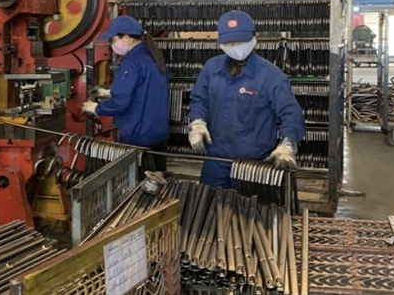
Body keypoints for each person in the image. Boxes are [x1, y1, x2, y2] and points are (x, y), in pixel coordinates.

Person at [187, 10, 304, 187]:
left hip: (253, 165)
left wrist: (287, 144)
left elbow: (291, 113)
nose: (235, 46)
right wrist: (197, 122)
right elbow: (199, 100)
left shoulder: (272, 76)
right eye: (230, 42)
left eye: (241, 41)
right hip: (216, 160)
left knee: (250, 204)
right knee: (210, 201)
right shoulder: (211, 69)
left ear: (255, 37)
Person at [82, 15, 170, 170]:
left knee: (138, 181)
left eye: (113, 39)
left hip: (139, 136)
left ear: (127, 39)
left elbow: (120, 103)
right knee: (156, 179)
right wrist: (110, 92)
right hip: (158, 133)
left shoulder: (132, 63)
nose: (111, 44)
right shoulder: (153, 58)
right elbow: (144, 90)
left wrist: (96, 108)